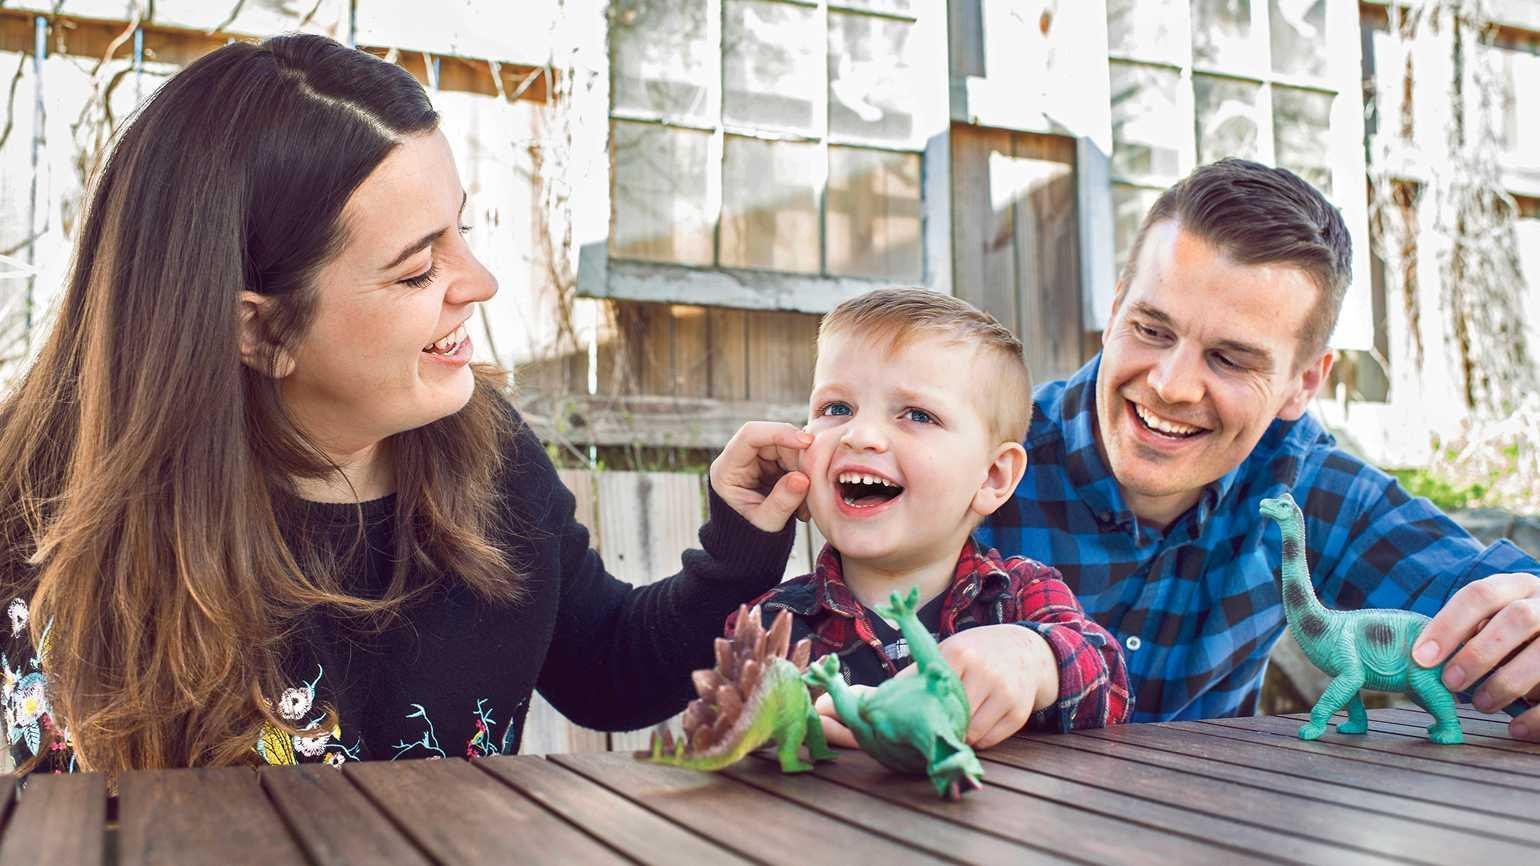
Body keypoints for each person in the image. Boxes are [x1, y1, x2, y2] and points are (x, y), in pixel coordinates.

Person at [0, 34, 812, 776]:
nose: (481, 282)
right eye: (418, 270)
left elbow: (607, 668)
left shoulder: (488, 452)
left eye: (462, 230)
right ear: (260, 329)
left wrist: (739, 548)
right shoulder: (28, 500)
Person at [975, 158, 1540, 739]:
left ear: (1303, 383)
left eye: (1230, 359)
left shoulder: (1309, 487)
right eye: (1152, 329)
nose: (1172, 385)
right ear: (1116, 310)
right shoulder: (978, 456)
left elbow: (1491, 596)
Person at [730, 289, 1132, 748]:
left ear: (993, 477)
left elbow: (1112, 685)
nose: (860, 435)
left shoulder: (1019, 593)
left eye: (917, 415)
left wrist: (1034, 659)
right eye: (836, 409)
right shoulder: (772, 622)